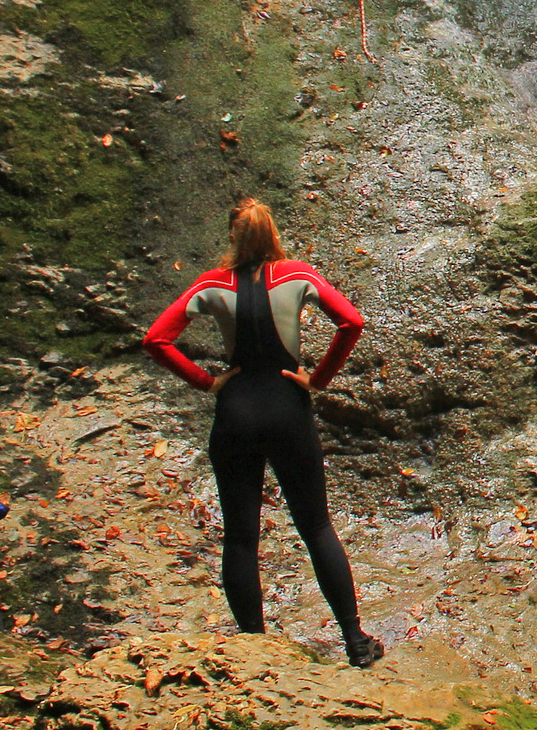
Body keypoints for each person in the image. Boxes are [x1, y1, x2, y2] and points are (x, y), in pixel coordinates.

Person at [140, 198, 385, 668]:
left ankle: (254, 646)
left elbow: (156, 339)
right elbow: (351, 321)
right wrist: (318, 379)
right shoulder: (297, 275)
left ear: (233, 237)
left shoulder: (212, 284)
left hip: (236, 413)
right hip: (287, 406)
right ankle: (355, 642)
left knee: (240, 537)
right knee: (316, 526)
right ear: (273, 233)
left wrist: (206, 381)